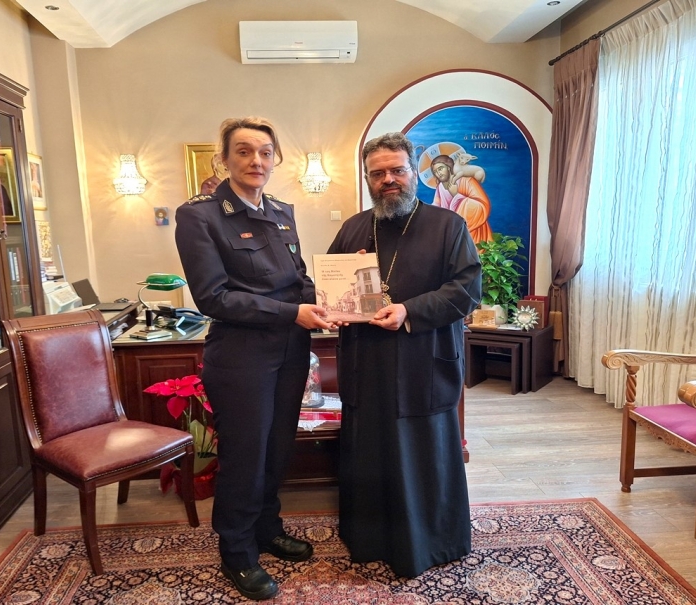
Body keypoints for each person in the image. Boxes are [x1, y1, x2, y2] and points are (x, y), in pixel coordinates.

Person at [175, 117, 334, 601]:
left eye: (265, 152)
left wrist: (332, 304)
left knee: (277, 449)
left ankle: (267, 528)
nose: (256, 161)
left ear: (274, 159)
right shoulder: (200, 216)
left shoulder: (282, 211)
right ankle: (238, 551)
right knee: (245, 456)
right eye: (243, 151)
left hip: (290, 350)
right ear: (223, 159)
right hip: (241, 356)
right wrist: (293, 312)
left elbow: (299, 279)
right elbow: (213, 297)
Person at [327, 132, 482, 577]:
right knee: (370, 450)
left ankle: (431, 542)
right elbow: (330, 286)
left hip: (423, 360)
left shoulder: (448, 226)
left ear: (414, 173)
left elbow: (466, 289)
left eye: (397, 170)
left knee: (422, 452)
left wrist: (408, 310)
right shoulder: (353, 227)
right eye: (378, 173)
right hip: (366, 363)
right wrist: (335, 306)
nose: (388, 180)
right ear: (368, 179)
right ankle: (370, 538)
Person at [430, 153, 492, 244]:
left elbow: (482, 206)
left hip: (472, 232)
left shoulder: (467, 181)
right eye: (435, 171)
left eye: (440, 169)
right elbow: (436, 206)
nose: (438, 173)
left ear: (448, 167)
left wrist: (456, 195)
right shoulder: (440, 187)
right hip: (451, 230)